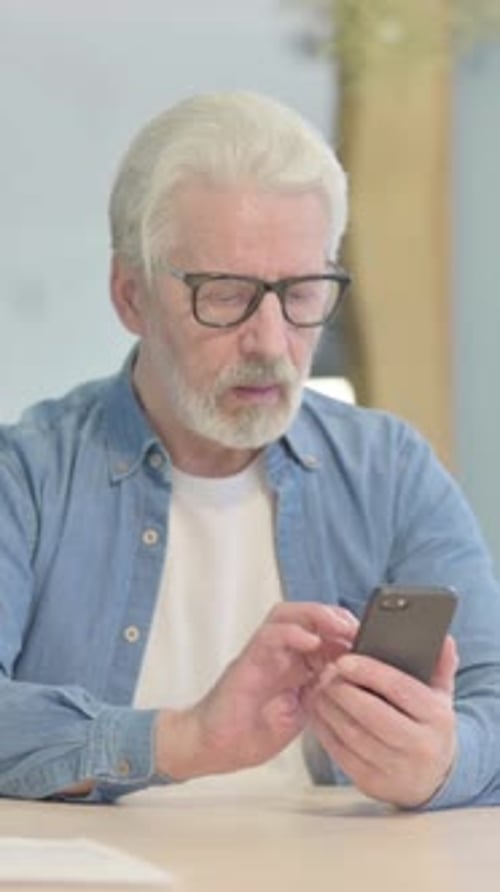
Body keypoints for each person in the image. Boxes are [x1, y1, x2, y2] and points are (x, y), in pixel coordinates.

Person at [1, 90, 500, 810]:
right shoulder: (28, 475)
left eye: (301, 292)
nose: (271, 344)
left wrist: (445, 761)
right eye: (226, 293)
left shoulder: (389, 471)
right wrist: (183, 741)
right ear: (130, 295)